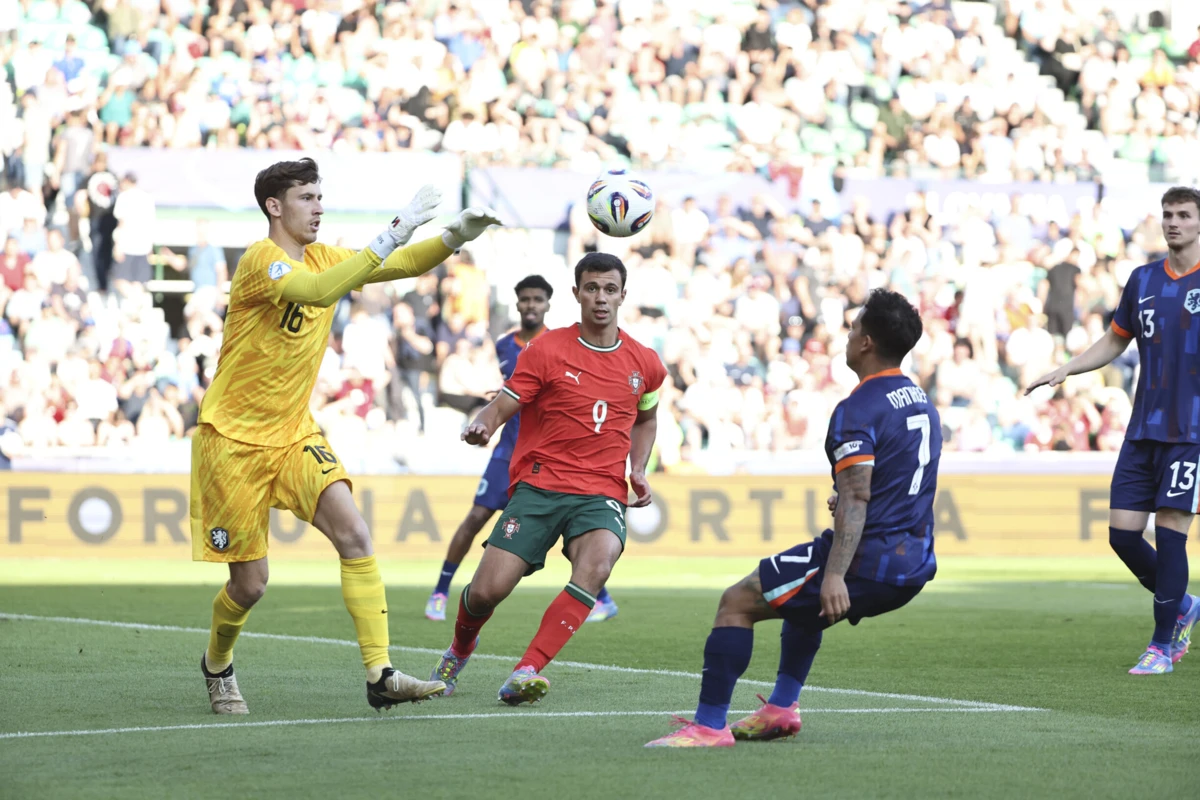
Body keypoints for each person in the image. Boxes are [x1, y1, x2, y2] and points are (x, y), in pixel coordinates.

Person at [191, 156, 500, 714]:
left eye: (320, 196)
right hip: (232, 440)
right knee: (251, 585)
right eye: (306, 197)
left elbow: (398, 264)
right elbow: (315, 291)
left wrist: (454, 236)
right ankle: (217, 664)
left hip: (293, 434)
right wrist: (395, 229)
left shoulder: (324, 257)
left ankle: (380, 674)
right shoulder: (261, 260)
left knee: (355, 534)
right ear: (274, 207)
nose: (318, 207)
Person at [646, 289, 941, 747]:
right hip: (915, 560)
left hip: (868, 560)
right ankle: (781, 708)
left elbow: (858, 495)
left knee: (736, 601)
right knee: (800, 603)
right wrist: (850, 498)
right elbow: (897, 482)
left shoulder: (858, 408)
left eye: (853, 327)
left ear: (866, 342)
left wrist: (835, 574)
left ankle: (708, 726)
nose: (848, 334)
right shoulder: (921, 400)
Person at [429, 253, 667, 704]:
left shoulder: (646, 364)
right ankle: (460, 648)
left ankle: (527, 670)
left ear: (623, 295)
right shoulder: (544, 350)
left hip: (601, 491)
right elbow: (503, 403)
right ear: (577, 294)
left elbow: (647, 418)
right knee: (485, 593)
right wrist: (483, 424)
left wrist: (637, 469)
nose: (601, 298)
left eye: (610, 289)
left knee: (598, 563)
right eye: (592, 288)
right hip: (540, 486)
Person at [1026, 186, 1200, 675]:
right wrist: (1068, 368)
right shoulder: (1143, 279)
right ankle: (1184, 605)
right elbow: (1115, 339)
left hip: (1192, 432)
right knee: (1122, 536)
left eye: (1184, 215)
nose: (1173, 223)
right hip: (1144, 428)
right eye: (1167, 214)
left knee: (1171, 533)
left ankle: (1161, 647)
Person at [422, 274, 622, 623]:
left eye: (537, 300)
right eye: (525, 299)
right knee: (476, 518)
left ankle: (600, 596)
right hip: (507, 450)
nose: (531, 305)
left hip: (545, 455)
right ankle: (440, 591)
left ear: (547, 305)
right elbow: (512, 389)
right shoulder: (503, 346)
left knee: (566, 522)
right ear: (517, 304)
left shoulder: (560, 345)